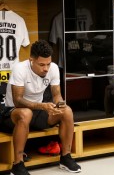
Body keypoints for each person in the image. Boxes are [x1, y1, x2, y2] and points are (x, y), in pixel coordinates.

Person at [0, 40, 81, 174]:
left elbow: (56, 95)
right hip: (13, 114)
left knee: (67, 111)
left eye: (48, 64)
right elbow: (17, 101)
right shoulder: (20, 68)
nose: (46, 68)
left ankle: (66, 157)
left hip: (38, 112)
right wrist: (42, 106)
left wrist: (60, 104)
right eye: (41, 64)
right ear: (31, 60)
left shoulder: (53, 68)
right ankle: (18, 165)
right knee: (26, 113)